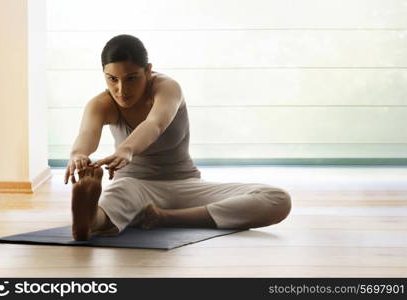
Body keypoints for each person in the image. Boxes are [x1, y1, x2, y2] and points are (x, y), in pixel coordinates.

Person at [64, 34, 292, 241]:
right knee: (113, 201)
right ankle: (90, 219)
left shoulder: (167, 88)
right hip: (134, 186)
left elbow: (155, 123)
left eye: (131, 78)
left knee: (277, 198)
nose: (121, 89)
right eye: (112, 79)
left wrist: (126, 149)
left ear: (148, 70)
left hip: (186, 185)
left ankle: (164, 217)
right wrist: (78, 155)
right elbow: (87, 134)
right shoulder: (101, 103)